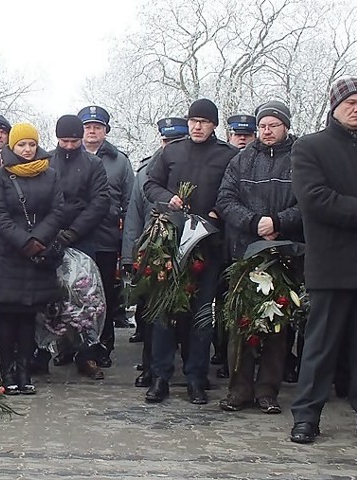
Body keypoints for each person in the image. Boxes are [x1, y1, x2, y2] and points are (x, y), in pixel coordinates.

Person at [290, 77, 357, 445]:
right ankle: (307, 416)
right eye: (351, 102)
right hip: (331, 263)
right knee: (320, 347)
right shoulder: (310, 147)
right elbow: (314, 198)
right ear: (334, 106)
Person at [143, 98, 237, 405]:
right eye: (193, 120)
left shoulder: (227, 155)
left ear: (214, 125)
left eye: (204, 122)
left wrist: (218, 212)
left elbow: (234, 192)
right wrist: (168, 198)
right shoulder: (171, 151)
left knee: (201, 316)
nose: (197, 126)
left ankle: (196, 378)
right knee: (164, 313)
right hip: (170, 245)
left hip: (207, 246)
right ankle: (160, 377)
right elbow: (150, 184)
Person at [216, 100, 302, 414]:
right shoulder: (241, 160)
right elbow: (225, 199)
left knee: (277, 326)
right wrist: (254, 223)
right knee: (242, 323)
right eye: (262, 125)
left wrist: (278, 221)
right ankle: (239, 389)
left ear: (286, 127)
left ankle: (268, 390)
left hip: (283, 252)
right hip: (245, 252)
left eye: (273, 125)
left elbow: (308, 201)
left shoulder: (300, 159)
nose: (266, 131)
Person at [0, 122, 64, 395]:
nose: (27, 150)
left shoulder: (50, 174)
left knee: (29, 317)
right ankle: (7, 372)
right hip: (6, 255)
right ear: (11, 147)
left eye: (31, 144)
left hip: (37, 256)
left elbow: (57, 211)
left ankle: (25, 371)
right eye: (21, 145)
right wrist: (24, 241)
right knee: (7, 317)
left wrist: (38, 240)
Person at [122, 116, 188, 388]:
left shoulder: (192, 168)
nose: (169, 146)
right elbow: (134, 216)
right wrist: (129, 256)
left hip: (187, 249)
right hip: (153, 252)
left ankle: (185, 368)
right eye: (166, 140)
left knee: (183, 313)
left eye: (175, 141)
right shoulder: (146, 171)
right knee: (151, 314)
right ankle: (151, 367)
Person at [44, 114, 111, 379]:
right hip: (50, 238)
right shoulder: (47, 161)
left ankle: (87, 354)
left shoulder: (94, 164)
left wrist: (71, 233)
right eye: (64, 141)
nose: (69, 146)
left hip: (82, 238)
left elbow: (99, 202)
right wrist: (52, 232)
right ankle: (47, 350)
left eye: (74, 141)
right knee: (51, 296)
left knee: (86, 298)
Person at [77, 105, 135, 362]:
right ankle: (74, 346)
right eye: (88, 127)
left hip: (106, 238)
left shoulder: (119, 161)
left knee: (105, 295)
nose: (92, 131)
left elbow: (130, 201)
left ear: (105, 131)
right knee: (75, 292)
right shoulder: (68, 155)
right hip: (76, 237)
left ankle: (103, 345)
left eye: (97, 127)